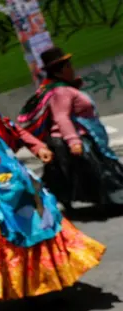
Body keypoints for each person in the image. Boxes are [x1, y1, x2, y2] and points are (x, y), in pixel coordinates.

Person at [0, 67, 106, 311]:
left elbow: (16, 132)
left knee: (39, 228)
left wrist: (37, 147)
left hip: (12, 185)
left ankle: (43, 283)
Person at [19, 47, 123, 212]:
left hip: (75, 137)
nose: (72, 69)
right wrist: (74, 142)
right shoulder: (60, 91)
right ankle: (113, 201)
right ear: (59, 72)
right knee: (97, 172)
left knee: (70, 175)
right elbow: (62, 117)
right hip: (71, 139)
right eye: (68, 67)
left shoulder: (62, 88)